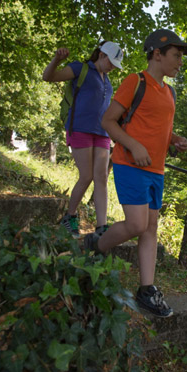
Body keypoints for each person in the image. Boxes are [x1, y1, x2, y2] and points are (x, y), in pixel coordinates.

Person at [86, 29, 187, 318]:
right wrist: (133, 145)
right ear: (157, 53)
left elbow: (161, 128)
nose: (180, 62)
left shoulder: (169, 91)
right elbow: (108, 121)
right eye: (176, 55)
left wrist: (175, 140)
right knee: (136, 225)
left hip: (155, 170)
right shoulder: (136, 81)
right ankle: (97, 244)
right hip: (129, 164)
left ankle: (147, 289)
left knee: (150, 227)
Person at [43, 41, 124, 237]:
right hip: (79, 128)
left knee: (102, 177)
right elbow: (48, 77)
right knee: (87, 176)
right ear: (102, 55)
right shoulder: (81, 68)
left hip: (103, 133)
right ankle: (69, 217)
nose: (113, 67)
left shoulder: (108, 81)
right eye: (111, 62)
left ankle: (101, 227)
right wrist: (56, 60)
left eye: (115, 64)